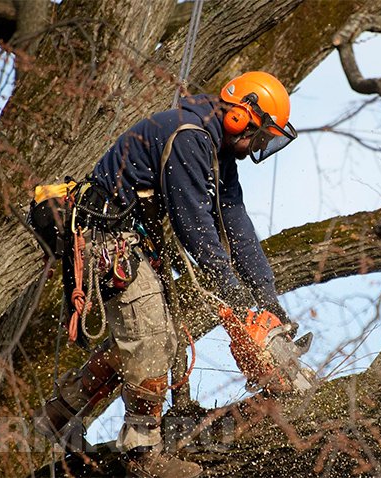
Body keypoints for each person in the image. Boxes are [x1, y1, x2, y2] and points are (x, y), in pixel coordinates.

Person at [32, 71, 298, 478]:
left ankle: (55, 414)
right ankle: (143, 455)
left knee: (152, 337)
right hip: (109, 236)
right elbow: (197, 229)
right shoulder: (190, 137)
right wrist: (236, 298)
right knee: (151, 338)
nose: (258, 146)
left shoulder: (217, 149)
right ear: (241, 116)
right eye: (259, 136)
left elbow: (234, 220)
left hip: (132, 240)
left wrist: (266, 298)